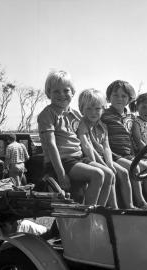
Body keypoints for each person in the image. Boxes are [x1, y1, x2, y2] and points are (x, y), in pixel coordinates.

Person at [37, 70, 113, 206]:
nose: (62, 95)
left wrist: (102, 163)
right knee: (97, 174)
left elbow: (86, 142)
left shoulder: (75, 114)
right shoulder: (47, 114)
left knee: (108, 174)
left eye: (66, 90)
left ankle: (99, 212)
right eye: (56, 91)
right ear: (48, 93)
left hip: (77, 159)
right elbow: (51, 145)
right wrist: (61, 174)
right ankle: (89, 214)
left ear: (72, 92)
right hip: (61, 161)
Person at [101, 80, 147, 209]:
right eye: (115, 95)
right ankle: (141, 202)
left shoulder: (130, 117)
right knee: (135, 168)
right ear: (109, 97)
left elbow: (138, 135)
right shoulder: (104, 115)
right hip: (115, 154)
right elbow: (100, 135)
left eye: (124, 96)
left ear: (130, 99)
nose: (119, 98)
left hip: (130, 154)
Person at [77, 88, 136, 209]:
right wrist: (102, 164)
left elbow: (106, 147)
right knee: (109, 173)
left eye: (97, 109)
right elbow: (87, 146)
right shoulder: (82, 124)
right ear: (81, 109)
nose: (93, 112)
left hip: (102, 158)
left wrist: (109, 163)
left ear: (103, 109)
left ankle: (130, 206)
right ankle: (113, 208)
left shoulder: (103, 126)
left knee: (123, 172)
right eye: (89, 108)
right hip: (88, 158)